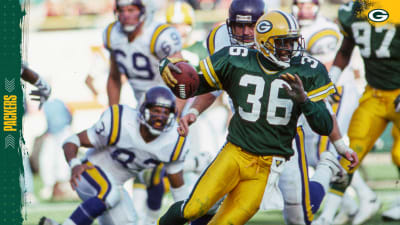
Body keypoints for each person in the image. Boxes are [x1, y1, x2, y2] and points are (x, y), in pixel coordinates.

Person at [157, 10, 357, 225]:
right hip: (235, 153)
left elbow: (324, 123)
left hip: (271, 162)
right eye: (283, 42)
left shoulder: (307, 70)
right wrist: (167, 68)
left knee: (298, 213)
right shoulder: (235, 59)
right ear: (264, 42)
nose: (290, 48)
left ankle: (326, 169)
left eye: (292, 42)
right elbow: (192, 86)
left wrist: (304, 100)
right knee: (193, 208)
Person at [38, 86, 190, 225]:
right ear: (144, 109)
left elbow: (179, 191)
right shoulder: (120, 121)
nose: (161, 117)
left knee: (128, 221)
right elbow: (72, 141)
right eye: (156, 110)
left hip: (116, 186)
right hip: (88, 172)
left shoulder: (173, 141)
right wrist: (75, 164)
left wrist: (190, 217)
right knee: (110, 193)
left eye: (165, 112)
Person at [324, 0, 400, 224]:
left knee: (398, 154)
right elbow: (345, 50)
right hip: (374, 94)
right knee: (349, 153)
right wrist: (331, 82)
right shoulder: (352, 11)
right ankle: (327, 216)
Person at [105, 0, 183, 106]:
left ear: (145, 10)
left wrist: (176, 117)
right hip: (142, 106)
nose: (125, 15)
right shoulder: (113, 34)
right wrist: (112, 110)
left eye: (131, 10)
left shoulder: (159, 35)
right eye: (121, 10)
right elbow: (114, 77)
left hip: (169, 105)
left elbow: (183, 79)